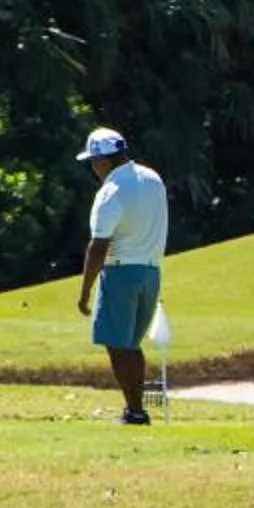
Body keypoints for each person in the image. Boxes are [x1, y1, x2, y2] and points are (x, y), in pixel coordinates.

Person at [74, 124, 168, 424]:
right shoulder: (153, 178)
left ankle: (135, 411)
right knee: (130, 344)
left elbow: (99, 246)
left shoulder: (110, 191)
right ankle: (136, 409)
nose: (92, 167)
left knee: (117, 345)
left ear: (104, 160)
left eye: (93, 161)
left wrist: (85, 290)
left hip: (120, 272)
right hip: (152, 273)